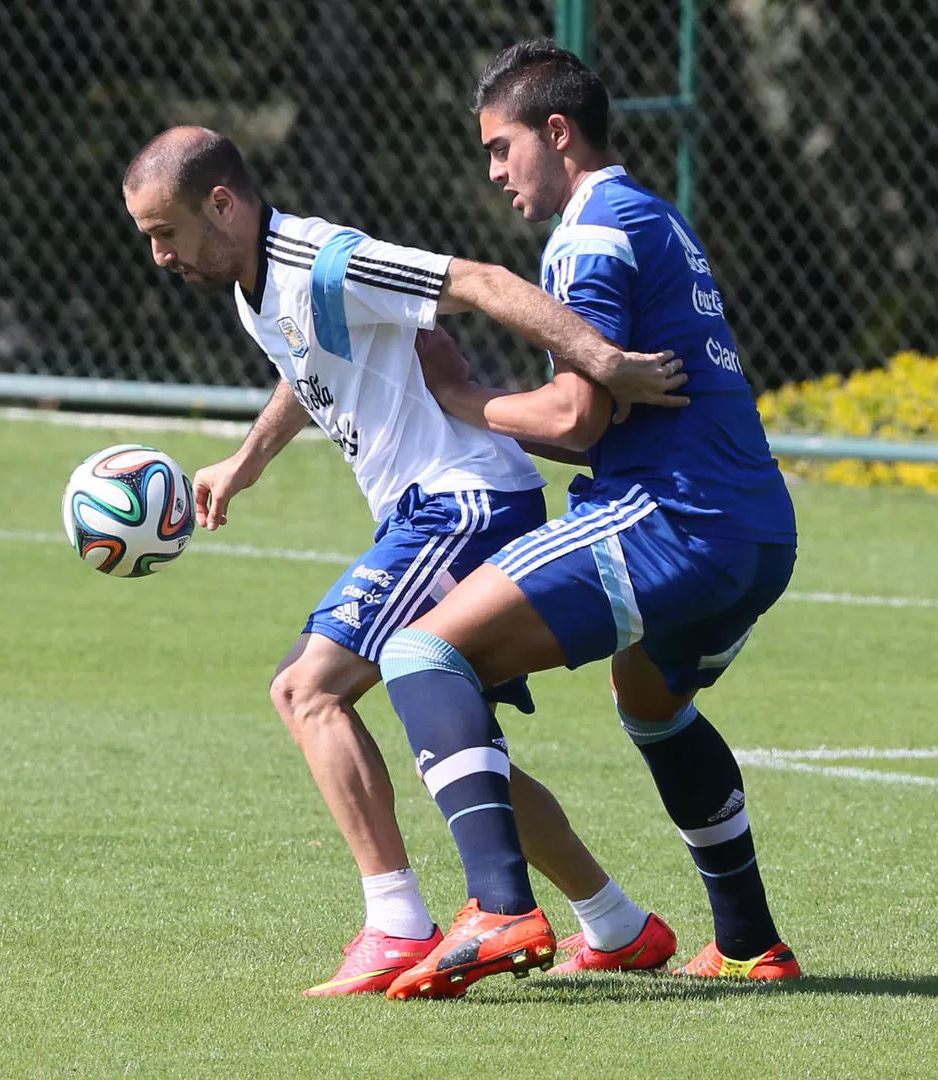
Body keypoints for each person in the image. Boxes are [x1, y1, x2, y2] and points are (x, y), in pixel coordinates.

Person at [122, 126, 690, 996]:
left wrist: (601, 362)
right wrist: (246, 460)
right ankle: (617, 927)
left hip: (461, 501)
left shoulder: (323, 258)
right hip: (439, 507)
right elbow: (305, 362)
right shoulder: (253, 288)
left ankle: (395, 925)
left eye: (166, 231)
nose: (159, 255)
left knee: (304, 688)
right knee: (473, 755)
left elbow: (483, 283)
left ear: (223, 205)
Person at [378, 39, 802, 1000]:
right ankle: (747, 941)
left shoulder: (588, 230)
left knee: (418, 656)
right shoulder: (656, 216)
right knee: (650, 701)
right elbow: (598, 422)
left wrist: (465, 396)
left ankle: (500, 907)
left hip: (671, 518)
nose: (492, 172)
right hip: (757, 530)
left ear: (556, 133)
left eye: (500, 147)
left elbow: (574, 419)